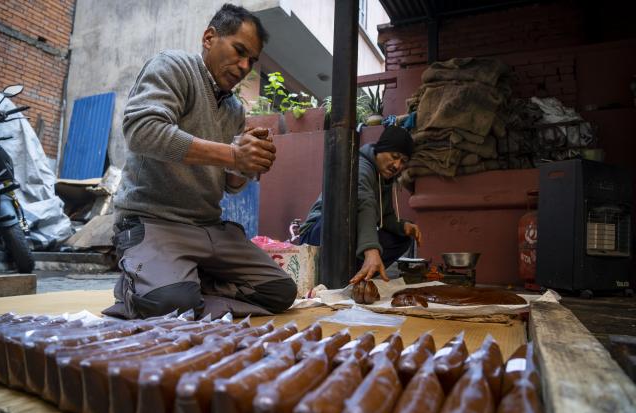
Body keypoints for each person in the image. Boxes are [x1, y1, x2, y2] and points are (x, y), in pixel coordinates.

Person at [103, 4, 297, 320]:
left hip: (208, 228)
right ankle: (146, 286)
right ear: (209, 38)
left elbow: (229, 185)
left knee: (280, 292)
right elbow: (142, 131)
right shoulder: (174, 66)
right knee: (171, 305)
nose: (245, 65)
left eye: (252, 60)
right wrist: (234, 154)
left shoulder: (234, 109)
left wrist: (245, 167)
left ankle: (186, 284)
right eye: (239, 50)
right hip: (154, 221)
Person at [299, 126, 422, 285]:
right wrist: (371, 250)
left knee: (401, 238)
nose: (397, 165)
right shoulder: (361, 166)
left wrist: (402, 227)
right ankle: (336, 276)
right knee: (347, 220)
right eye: (394, 156)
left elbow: (385, 216)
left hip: (349, 237)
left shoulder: (384, 178)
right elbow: (364, 204)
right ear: (380, 150)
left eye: (403, 161)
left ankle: (353, 275)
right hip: (318, 232)